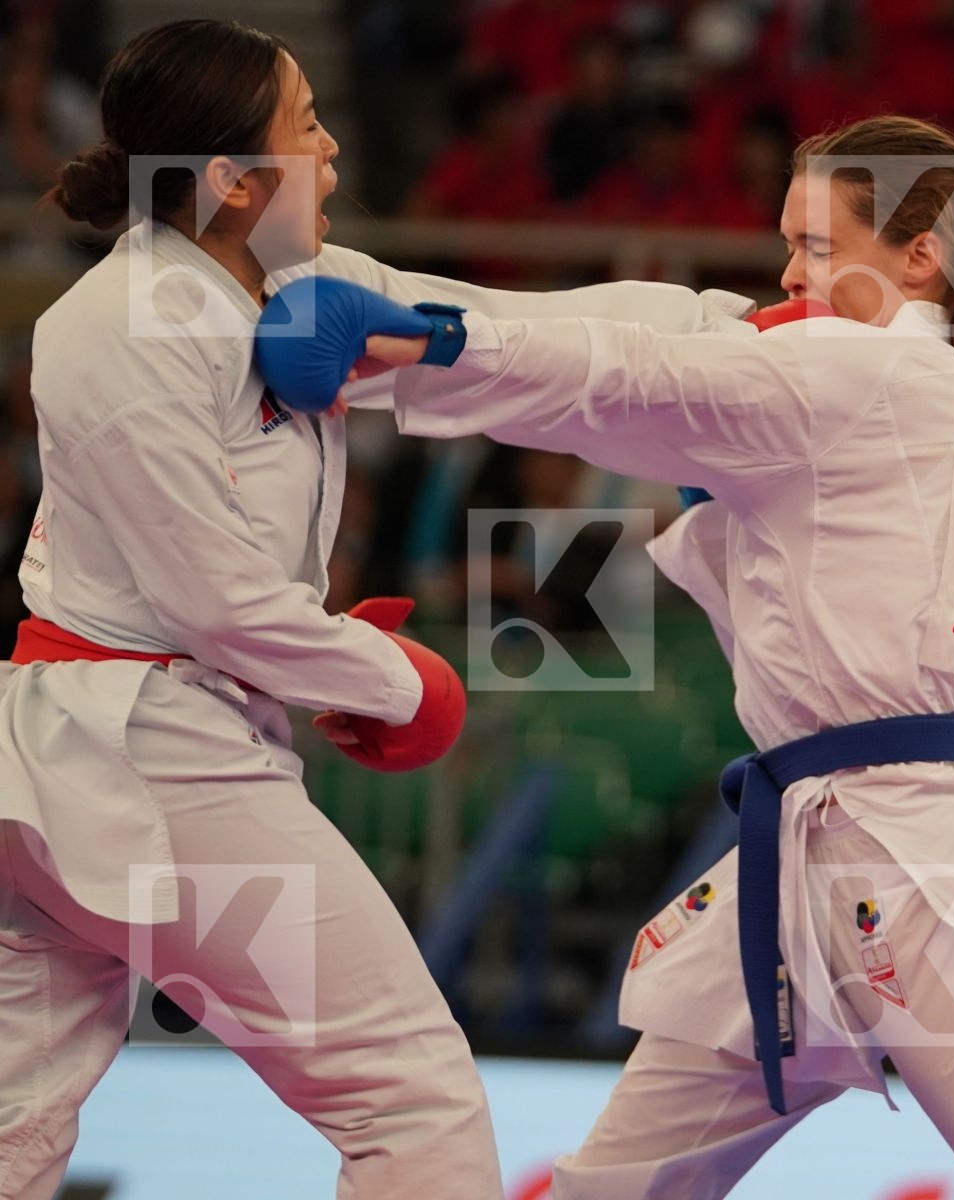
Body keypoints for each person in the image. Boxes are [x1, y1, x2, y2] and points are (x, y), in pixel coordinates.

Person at [274, 114, 954, 1199]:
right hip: (804, 852)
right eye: (787, 244)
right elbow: (657, 342)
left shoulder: (866, 369)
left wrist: (428, 342)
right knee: (614, 1189)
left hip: (909, 859)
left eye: (815, 246)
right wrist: (394, 317)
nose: (789, 273)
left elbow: (630, 374)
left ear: (920, 257)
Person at [0, 19, 751, 1199]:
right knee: (413, 1102)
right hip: (141, 754)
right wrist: (402, 682)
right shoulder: (115, 327)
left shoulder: (303, 290)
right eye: (307, 127)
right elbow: (217, 603)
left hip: (132, 755)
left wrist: (742, 329)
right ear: (232, 180)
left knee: (14, 1125)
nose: (335, 149)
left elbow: (518, 327)